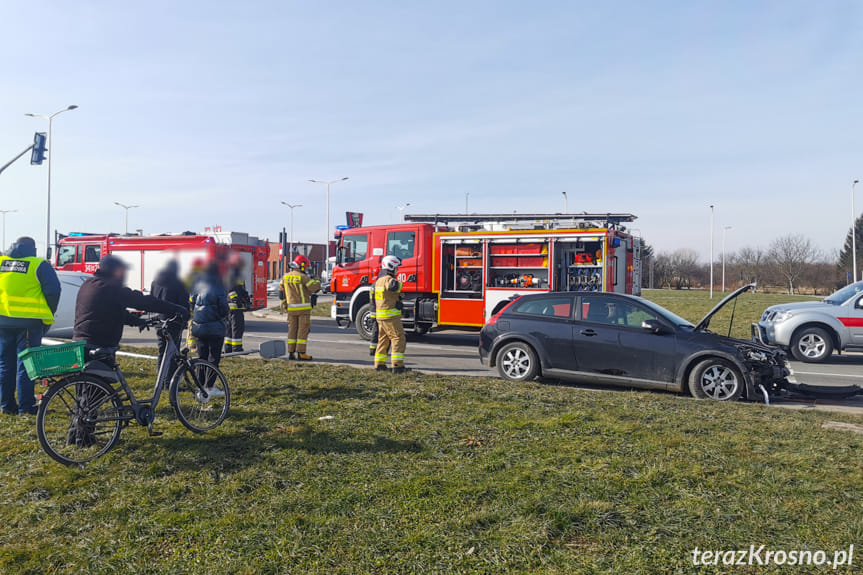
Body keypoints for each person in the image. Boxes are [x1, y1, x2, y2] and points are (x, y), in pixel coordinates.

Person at [74, 255, 189, 352]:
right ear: (114, 270)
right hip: (99, 344)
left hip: (82, 343)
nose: (124, 273)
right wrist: (177, 309)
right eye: (122, 270)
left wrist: (138, 321)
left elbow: (111, 312)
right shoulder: (110, 287)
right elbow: (144, 302)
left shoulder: (89, 283)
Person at [0, 237, 61, 415]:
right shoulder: (39, 264)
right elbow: (53, 291)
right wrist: (48, 312)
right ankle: (26, 407)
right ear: (33, 248)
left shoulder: (2, 262)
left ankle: (6, 406)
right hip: (29, 323)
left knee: (5, 364)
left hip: (2, 322)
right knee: (26, 366)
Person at [188, 262, 229, 387]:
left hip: (198, 327)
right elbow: (224, 309)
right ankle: (209, 386)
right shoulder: (219, 287)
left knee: (202, 358)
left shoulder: (197, 286)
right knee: (213, 359)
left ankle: (200, 385)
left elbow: (191, 303)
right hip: (214, 328)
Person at [280, 255, 321, 360]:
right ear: (302, 266)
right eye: (306, 267)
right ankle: (301, 353)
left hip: (291, 309)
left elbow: (281, 294)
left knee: (292, 330)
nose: (306, 269)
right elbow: (315, 288)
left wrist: (285, 306)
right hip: (303, 310)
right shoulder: (303, 277)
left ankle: (291, 353)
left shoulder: (285, 277)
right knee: (302, 331)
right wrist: (316, 279)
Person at [150, 260, 189, 369]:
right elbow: (183, 304)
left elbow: (151, 300)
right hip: (174, 322)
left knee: (162, 351)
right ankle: (170, 382)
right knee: (173, 352)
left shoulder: (155, 282)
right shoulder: (179, 284)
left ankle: (161, 380)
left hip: (158, 321)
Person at [373, 255, 407, 374]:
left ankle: (379, 364)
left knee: (383, 340)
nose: (397, 270)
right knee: (398, 338)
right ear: (391, 267)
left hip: (381, 317)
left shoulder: (378, 281)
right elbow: (394, 286)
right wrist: (401, 284)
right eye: (396, 268)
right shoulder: (388, 279)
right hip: (390, 316)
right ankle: (397, 366)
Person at [225, 254, 252, 354]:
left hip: (231, 306)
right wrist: (238, 301)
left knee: (229, 328)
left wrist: (246, 297)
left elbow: (240, 289)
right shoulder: (233, 273)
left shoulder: (232, 273)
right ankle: (236, 348)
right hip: (234, 306)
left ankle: (228, 348)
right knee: (237, 327)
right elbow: (230, 289)